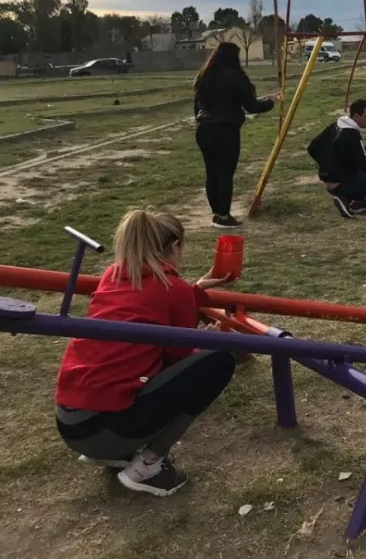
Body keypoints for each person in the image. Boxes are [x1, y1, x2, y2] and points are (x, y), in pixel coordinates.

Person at [55, 207, 237, 497]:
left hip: (71, 423)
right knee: (219, 361)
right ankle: (148, 464)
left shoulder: (113, 275)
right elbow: (178, 358)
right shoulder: (172, 288)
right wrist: (203, 343)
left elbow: (145, 305)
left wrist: (195, 290)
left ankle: (113, 452)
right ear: (175, 246)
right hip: (107, 430)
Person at [194, 41, 279, 229]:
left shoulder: (204, 75)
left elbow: (196, 104)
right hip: (225, 131)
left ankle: (217, 213)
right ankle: (223, 217)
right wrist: (271, 102)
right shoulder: (235, 76)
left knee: (212, 173)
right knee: (225, 174)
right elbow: (251, 106)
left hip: (204, 130)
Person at [307, 99, 366, 219]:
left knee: (360, 173)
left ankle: (357, 202)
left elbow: (312, 148)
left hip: (328, 180)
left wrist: (326, 166)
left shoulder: (335, 125)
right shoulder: (351, 134)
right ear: (356, 116)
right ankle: (344, 197)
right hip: (339, 183)